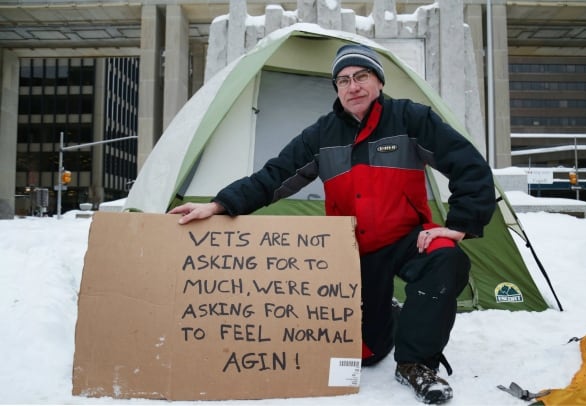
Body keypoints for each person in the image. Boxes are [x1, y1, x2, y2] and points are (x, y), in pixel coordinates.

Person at [169, 44, 496, 404]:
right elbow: (274, 176)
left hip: (406, 238)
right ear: (337, 88)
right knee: (367, 354)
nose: (352, 87)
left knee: (446, 258)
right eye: (343, 80)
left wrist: (460, 223)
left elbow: (469, 164)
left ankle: (416, 363)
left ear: (378, 82)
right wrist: (219, 204)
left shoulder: (410, 119)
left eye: (361, 77)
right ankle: (388, 313)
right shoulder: (321, 134)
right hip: (352, 252)